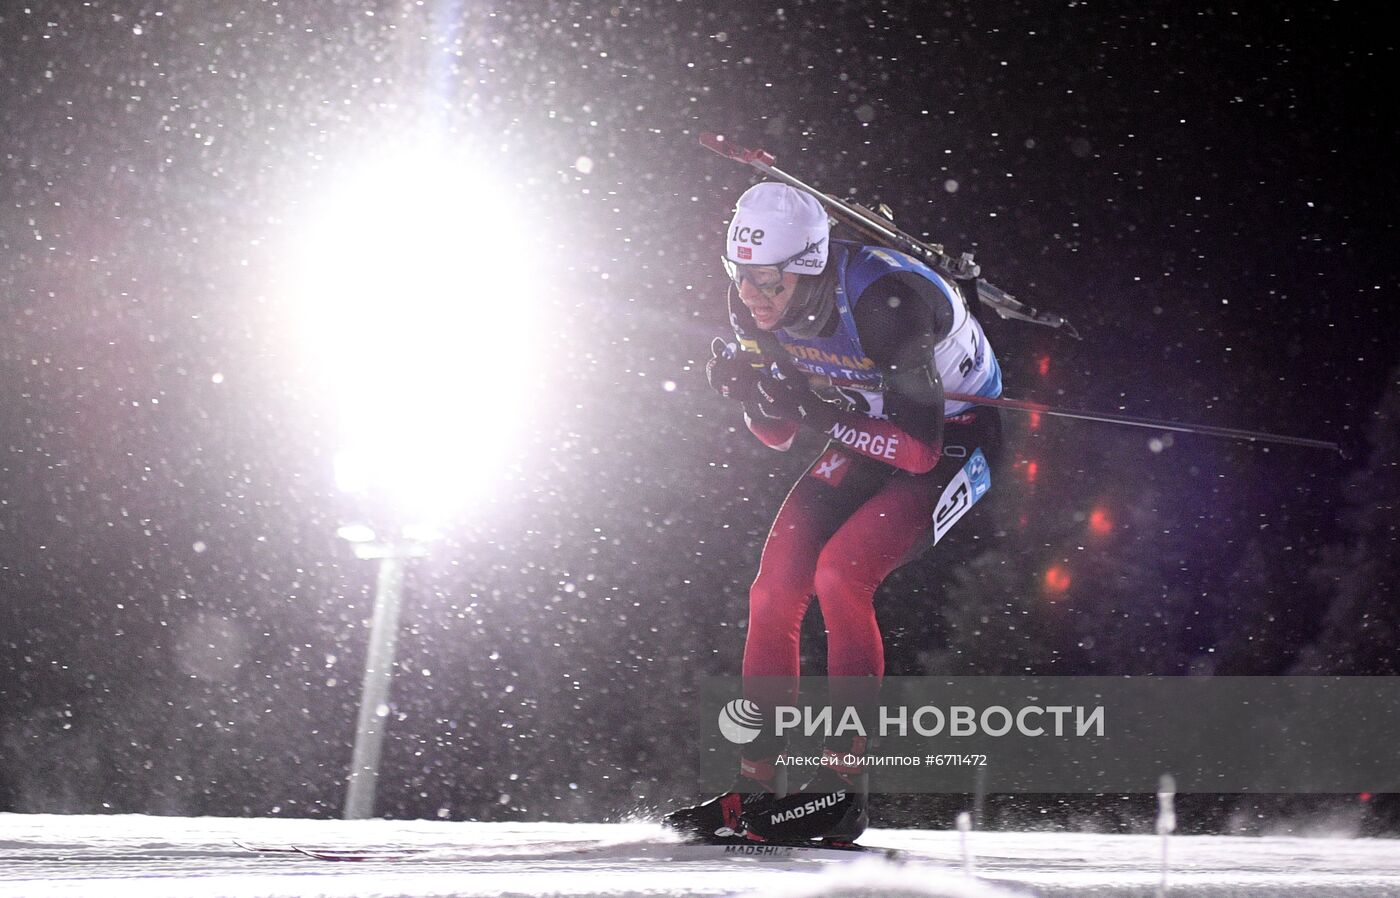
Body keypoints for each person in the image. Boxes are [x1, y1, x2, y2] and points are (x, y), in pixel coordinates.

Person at [665, 182, 1005, 845]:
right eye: (741, 279)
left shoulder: (888, 303)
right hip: (867, 425)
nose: (753, 298)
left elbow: (917, 451)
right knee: (775, 585)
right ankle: (755, 789)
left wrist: (803, 404)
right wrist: (756, 394)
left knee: (842, 576)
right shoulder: (753, 305)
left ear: (809, 268)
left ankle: (841, 792)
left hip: (954, 435)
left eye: (769, 284)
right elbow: (778, 436)